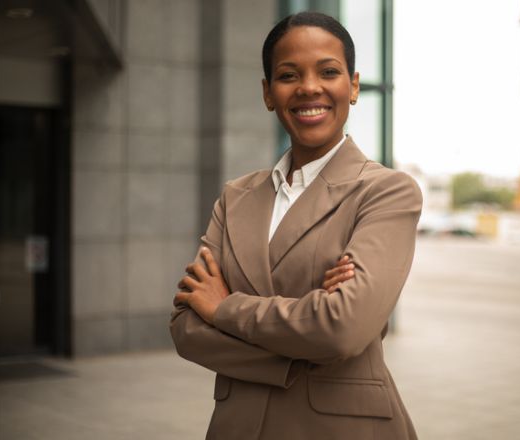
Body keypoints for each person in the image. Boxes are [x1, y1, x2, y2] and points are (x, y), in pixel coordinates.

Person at [171, 11, 421, 440]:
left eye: (328, 71)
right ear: (268, 93)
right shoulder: (236, 197)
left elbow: (342, 329)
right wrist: (303, 333)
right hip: (238, 427)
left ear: (354, 86)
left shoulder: (386, 192)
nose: (309, 87)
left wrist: (225, 308)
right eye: (289, 75)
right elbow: (186, 328)